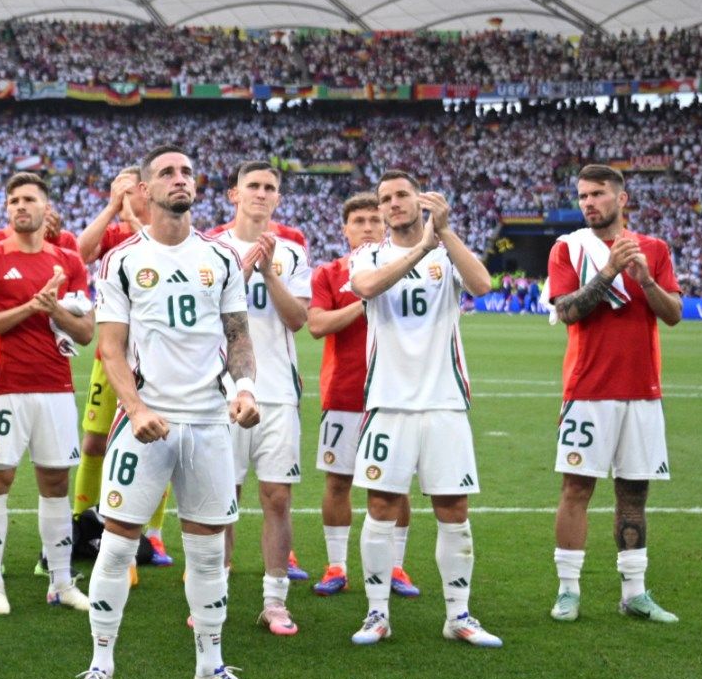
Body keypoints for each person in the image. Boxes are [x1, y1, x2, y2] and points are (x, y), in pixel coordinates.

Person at [69, 144, 263, 679]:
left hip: (208, 423)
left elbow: (238, 335)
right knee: (116, 547)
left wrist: (245, 389)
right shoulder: (122, 261)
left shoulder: (220, 258)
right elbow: (110, 348)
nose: (181, 179)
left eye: (187, 172)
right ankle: (100, 667)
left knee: (207, 552)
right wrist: (135, 408)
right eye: (168, 172)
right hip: (145, 424)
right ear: (145, 190)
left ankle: (210, 669)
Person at [346, 170, 500, 649]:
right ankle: (377, 613)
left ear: (421, 200)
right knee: (380, 507)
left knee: (453, 508)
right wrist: (421, 250)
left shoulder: (447, 249)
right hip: (388, 402)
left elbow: (482, 284)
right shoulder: (369, 253)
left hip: (444, 402)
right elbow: (366, 287)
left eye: (402, 196)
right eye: (385, 198)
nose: (393, 204)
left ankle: (459, 615)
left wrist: (445, 234)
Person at [546, 163, 682, 623]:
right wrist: (608, 271)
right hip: (587, 389)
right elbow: (567, 311)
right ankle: (568, 591)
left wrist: (645, 279)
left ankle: (634, 593)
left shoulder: (654, 249)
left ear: (621, 199)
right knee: (576, 488)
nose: (588, 202)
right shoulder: (568, 248)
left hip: (642, 391)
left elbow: (674, 314)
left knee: (634, 493)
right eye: (583, 195)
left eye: (598, 194)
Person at [0, 172, 94, 615]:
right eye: (14, 200)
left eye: (29, 199)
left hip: (56, 387)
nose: (21, 206)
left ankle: (60, 581)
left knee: (56, 483)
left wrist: (54, 308)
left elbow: (86, 332)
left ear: (46, 208)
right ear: (7, 209)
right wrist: (29, 307)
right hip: (6, 386)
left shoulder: (68, 262)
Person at [213, 162, 311, 634]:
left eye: (269, 187)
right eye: (252, 185)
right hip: (222, 392)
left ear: (278, 198)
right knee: (220, 498)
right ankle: (214, 592)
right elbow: (205, 317)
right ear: (234, 194)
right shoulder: (210, 249)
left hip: (277, 393)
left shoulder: (292, 252)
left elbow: (298, 320)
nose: (260, 193)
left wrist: (270, 273)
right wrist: (244, 268)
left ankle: (275, 600)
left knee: (277, 497)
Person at [306, 192, 419, 599]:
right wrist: (363, 302)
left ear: (386, 225)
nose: (368, 227)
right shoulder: (329, 273)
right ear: (345, 229)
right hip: (344, 393)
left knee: (395, 484)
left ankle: (396, 566)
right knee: (338, 481)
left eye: (375, 220)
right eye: (359, 221)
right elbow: (317, 325)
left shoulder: (405, 269)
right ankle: (336, 565)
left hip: (395, 395)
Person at [74, 166, 172, 567]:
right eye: (119, 191)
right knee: (94, 442)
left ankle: (155, 534)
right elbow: (80, 254)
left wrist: (132, 218)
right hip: (111, 356)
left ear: (147, 192)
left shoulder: (167, 231)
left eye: (130, 190)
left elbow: (159, 257)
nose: (125, 197)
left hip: (156, 359)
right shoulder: (113, 233)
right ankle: (80, 524)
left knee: (159, 443)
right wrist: (112, 207)